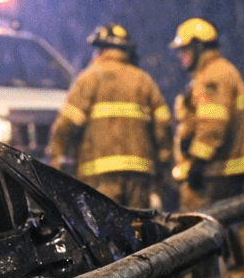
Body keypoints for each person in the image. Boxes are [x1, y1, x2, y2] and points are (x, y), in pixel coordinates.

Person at [49, 23, 172, 209]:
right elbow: (163, 124)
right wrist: (163, 160)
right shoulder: (144, 80)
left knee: (105, 230)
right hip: (139, 175)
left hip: (100, 176)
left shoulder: (88, 78)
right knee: (136, 230)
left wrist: (57, 159)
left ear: (99, 50)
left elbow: (67, 124)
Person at [169, 17, 244, 210]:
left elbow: (213, 123)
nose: (181, 56)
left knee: (200, 232)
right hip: (219, 172)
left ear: (198, 49)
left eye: (184, 50)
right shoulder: (213, 73)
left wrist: (198, 162)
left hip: (216, 174)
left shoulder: (214, 75)